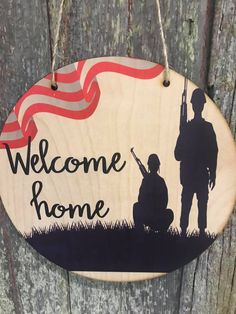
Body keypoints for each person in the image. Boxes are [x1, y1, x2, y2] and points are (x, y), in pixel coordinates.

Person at [174, 88, 218, 235]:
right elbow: (213, 152)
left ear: (193, 105)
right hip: (198, 174)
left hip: (192, 173)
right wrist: (212, 173)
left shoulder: (188, 128)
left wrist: (183, 133)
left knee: (189, 202)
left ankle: (185, 232)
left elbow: (177, 154)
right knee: (199, 203)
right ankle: (198, 232)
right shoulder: (206, 128)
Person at [133, 154, 174, 232]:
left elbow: (164, 201)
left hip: (156, 216)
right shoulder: (153, 181)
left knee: (169, 213)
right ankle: (141, 235)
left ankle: (158, 235)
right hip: (150, 214)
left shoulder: (157, 181)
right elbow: (141, 199)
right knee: (136, 206)